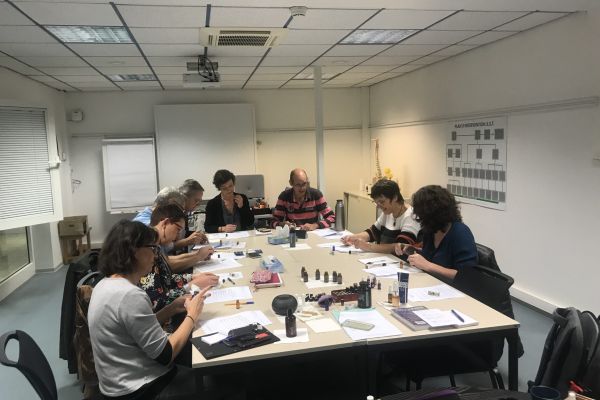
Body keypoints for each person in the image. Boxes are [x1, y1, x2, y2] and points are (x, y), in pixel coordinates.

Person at [88, 219, 212, 398]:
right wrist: (192, 315)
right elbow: (166, 354)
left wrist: (170, 309)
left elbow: (135, 328)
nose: (155, 256)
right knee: (223, 381)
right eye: (152, 249)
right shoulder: (129, 295)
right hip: (142, 389)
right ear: (135, 251)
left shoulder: (104, 284)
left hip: (118, 383)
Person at [143, 204, 218, 317]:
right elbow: (157, 303)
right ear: (165, 223)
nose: (178, 237)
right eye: (177, 229)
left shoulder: (155, 245)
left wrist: (192, 277)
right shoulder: (147, 251)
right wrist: (190, 285)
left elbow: (166, 279)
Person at [395, 185, 477, 281]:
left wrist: (428, 266)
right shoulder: (431, 230)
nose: (420, 218)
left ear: (432, 214)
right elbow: (430, 256)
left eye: (422, 214)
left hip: (453, 287)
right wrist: (411, 249)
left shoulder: (460, 233)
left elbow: (466, 276)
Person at [341, 179, 420, 254]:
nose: (378, 206)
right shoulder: (388, 212)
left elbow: (400, 247)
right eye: (376, 203)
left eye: (382, 202)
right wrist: (353, 237)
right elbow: (372, 233)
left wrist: (367, 246)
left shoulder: (411, 216)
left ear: (395, 198)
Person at [271, 168, 335, 231]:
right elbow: (273, 221)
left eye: (304, 184)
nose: (302, 188)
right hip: (293, 234)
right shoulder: (284, 196)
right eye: (298, 185)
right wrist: (281, 224)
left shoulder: (316, 195)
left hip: (312, 234)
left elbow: (332, 217)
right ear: (291, 183)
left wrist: (315, 225)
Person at [173, 179, 207, 251]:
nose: (198, 204)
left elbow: (184, 235)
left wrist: (197, 235)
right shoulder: (172, 216)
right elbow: (167, 248)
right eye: (196, 200)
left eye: (200, 201)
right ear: (184, 198)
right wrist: (188, 241)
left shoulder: (185, 213)